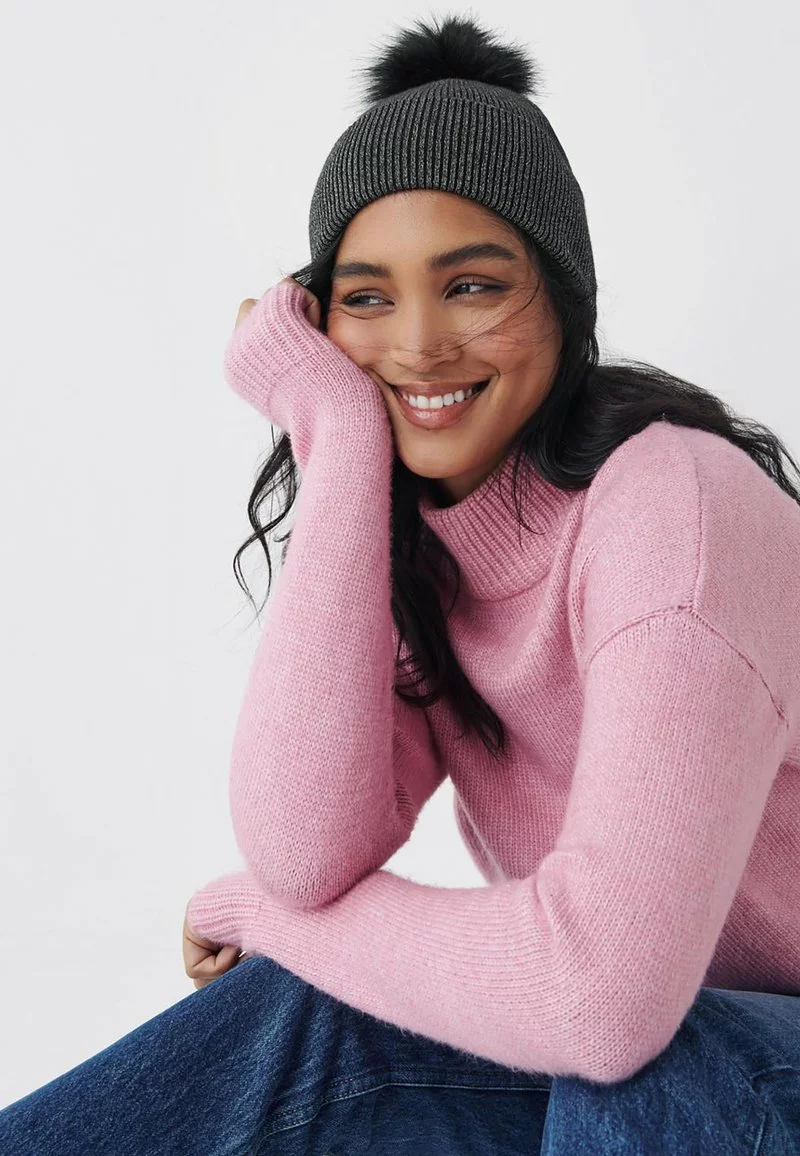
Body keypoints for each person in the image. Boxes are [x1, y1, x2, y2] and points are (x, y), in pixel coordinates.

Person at [2, 13, 799, 1154]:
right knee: (308, 1010)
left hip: (717, 1064)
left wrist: (270, 915)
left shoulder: (674, 511)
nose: (419, 344)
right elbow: (304, 852)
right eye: (367, 298)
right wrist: (333, 432)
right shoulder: (431, 557)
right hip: (670, 1065)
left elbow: (600, 999)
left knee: (639, 1068)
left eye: (471, 285)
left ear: (562, 298)